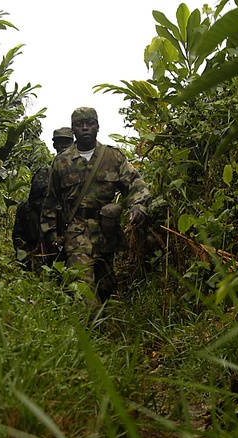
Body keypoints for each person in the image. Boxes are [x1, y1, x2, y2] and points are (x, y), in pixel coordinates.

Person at [40, 107, 151, 305]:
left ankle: (104, 328)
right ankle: (89, 330)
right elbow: (52, 201)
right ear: (73, 129)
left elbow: (135, 184)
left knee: (106, 285)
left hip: (106, 231)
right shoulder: (61, 162)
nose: (85, 129)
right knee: (83, 286)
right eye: (79, 125)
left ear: (97, 126)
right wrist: (52, 234)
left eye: (89, 123)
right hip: (76, 231)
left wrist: (138, 206)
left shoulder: (113, 157)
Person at [12, 127, 74, 269]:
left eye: (67, 142)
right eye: (60, 142)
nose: (64, 146)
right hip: (47, 226)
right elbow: (34, 201)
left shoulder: (83, 170)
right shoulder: (45, 172)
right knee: (24, 208)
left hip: (73, 228)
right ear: (54, 145)